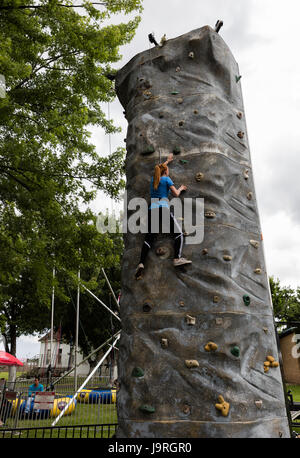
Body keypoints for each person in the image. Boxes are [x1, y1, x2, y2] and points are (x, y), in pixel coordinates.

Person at [135, 153, 192, 280]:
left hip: (152, 209)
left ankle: (141, 262)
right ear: (166, 171)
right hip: (163, 208)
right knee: (178, 234)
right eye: (167, 169)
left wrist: (167, 161)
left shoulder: (153, 180)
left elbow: (159, 169)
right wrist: (181, 188)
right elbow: (176, 194)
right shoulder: (167, 179)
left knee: (149, 238)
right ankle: (177, 258)